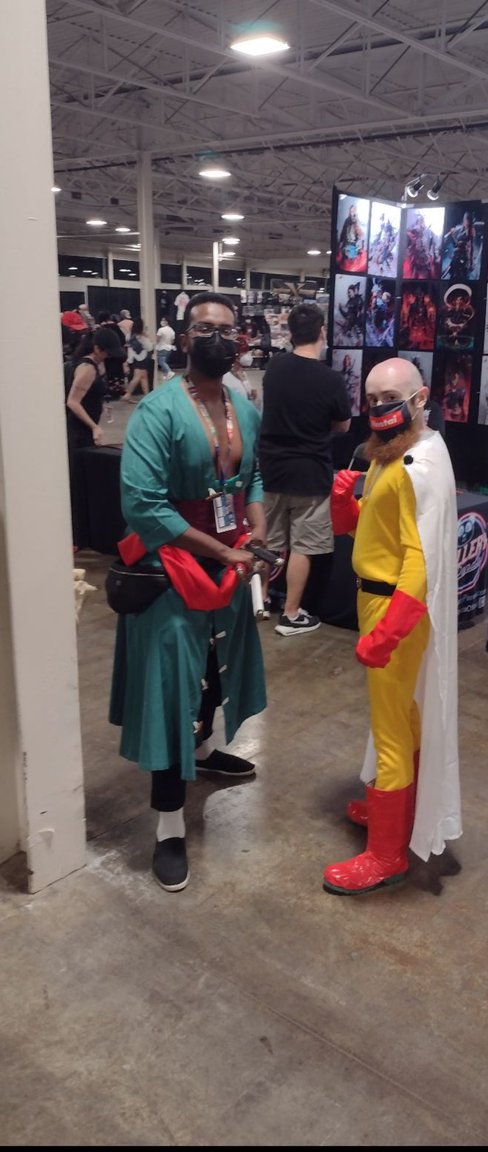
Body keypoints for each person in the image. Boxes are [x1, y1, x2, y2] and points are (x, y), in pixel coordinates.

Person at [109, 292, 267, 892]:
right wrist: (223, 552)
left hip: (230, 562)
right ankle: (169, 824)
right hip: (172, 568)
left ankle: (202, 753)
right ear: (183, 336)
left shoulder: (241, 406)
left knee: (215, 668)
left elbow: (251, 476)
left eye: (226, 328)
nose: (216, 338)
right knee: (172, 690)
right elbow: (143, 506)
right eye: (204, 328)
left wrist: (254, 531)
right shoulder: (158, 410)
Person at [323, 357, 461, 896]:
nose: (380, 407)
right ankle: (400, 814)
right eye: (373, 398)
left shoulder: (415, 465)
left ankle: (386, 855)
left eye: (391, 397)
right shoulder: (395, 452)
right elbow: (379, 531)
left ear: (420, 398)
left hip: (392, 608)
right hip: (380, 601)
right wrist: (346, 504)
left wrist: (388, 631)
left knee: (390, 728)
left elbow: (420, 559)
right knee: (404, 715)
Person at [259, 303, 351, 636]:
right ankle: (291, 614)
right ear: (322, 332)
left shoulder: (274, 368)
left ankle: (259, 601)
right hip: (310, 473)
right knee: (303, 546)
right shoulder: (330, 379)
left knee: (268, 540)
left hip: (272, 469)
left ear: (291, 333)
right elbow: (343, 426)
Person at [66, 326, 122, 548]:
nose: (108, 356)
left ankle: (80, 535)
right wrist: (93, 426)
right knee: (78, 482)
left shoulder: (88, 364)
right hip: (79, 432)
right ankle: (77, 537)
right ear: (97, 348)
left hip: (81, 430)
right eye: (106, 352)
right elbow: (72, 402)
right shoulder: (87, 368)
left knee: (80, 480)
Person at [123, 317, 154, 403]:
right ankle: (128, 394)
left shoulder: (130, 336)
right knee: (138, 377)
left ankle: (147, 396)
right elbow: (149, 347)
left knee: (143, 377)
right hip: (142, 358)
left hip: (135, 358)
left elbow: (129, 348)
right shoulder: (142, 337)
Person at [223, 344, 260, 409]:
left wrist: (251, 392)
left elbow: (250, 395)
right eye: (244, 353)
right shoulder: (226, 377)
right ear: (236, 356)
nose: (248, 355)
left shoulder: (242, 374)